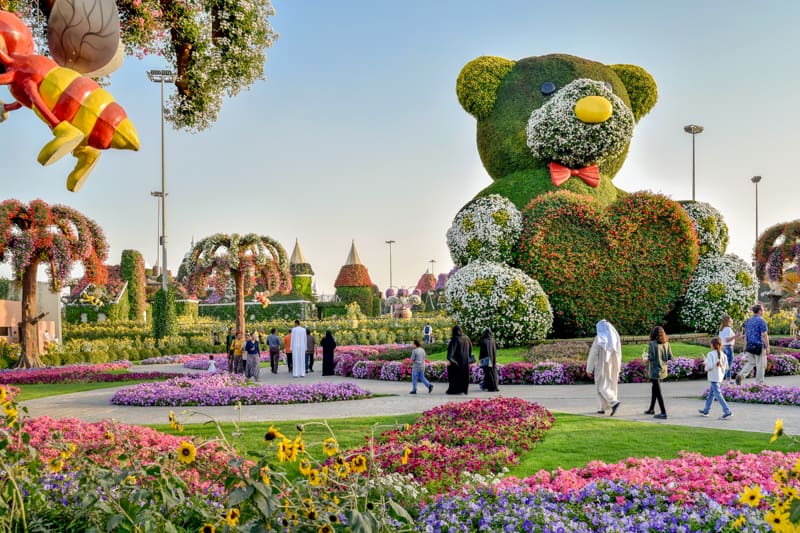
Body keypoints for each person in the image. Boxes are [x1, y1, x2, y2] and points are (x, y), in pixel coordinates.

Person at [586, 319, 621, 416]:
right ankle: (601, 407)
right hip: (613, 365)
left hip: (601, 365)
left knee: (601, 386)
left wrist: (589, 369)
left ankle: (613, 402)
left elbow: (593, 354)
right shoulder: (614, 338)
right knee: (610, 384)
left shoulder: (599, 338)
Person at [699, 337, 733, 419]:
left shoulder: (710, 354)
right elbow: (726, 367)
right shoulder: (723, 355)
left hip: (713, 377)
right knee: (711, 394)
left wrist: (705, 364)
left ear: (713, 345)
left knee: (718, 394)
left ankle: (727, 411)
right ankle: (706, 410)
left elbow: (710, 366)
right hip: (719, 377)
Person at [736, 305, 770, 385]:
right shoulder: (761, 321)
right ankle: (759, 383)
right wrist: (767, 346)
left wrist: (745, 346)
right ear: (759, 311)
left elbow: (747, 334)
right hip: (759, 345)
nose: (764, 311)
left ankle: (741, 375)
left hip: (750, 345)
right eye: (763, 310)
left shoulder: (748, 321)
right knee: (761, 365)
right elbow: (764, 334)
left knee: (751, 362)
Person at [644, 326, 672, 419]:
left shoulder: (652, 344)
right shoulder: (667, 343)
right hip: (663, 370)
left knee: (658, 392)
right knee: (654, 389)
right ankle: (651, 409)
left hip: (655, 370)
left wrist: (646, 358)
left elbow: (651, 358)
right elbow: (670, 357)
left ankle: (663, 412)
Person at [446, 325, 472, 395]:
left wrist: (451, 360)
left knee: (454, 375)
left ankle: (454, 390)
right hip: (465, 361)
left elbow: (451, 353)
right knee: (464, 375)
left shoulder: (454, 340)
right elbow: (470, 348)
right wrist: (467, 356)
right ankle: (464, 389)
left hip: (456, 361)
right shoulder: (467, 338)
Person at [719, 315, 739, 384]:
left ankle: (721, 379)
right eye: (731, 320)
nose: (732, 321)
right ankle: (728, 380)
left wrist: (738, 336)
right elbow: (727, 339)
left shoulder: (722, 329)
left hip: (722, 347)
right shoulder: (728, 329)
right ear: (728, 321)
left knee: (724, 364)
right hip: (728, 347)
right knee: (729, 364)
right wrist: (735, 336)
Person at [479, 328, 500, 392]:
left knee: (487, 373)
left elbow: (482, 351)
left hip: (486, 359)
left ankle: (490, 387)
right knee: (493, 372)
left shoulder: (484, 341)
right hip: (492, 359)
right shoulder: (493, 340)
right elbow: (496, 348)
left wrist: (480, 359)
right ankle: (491, 386)